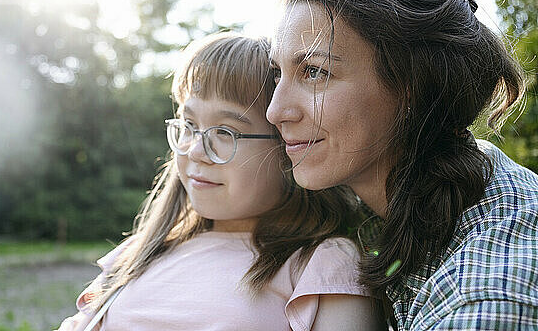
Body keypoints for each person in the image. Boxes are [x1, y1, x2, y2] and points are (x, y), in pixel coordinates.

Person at [266, 0, 538, 331]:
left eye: (314, 72)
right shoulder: (467, 168)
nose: (275, 112)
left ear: (412, 86)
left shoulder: (483, 297)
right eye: (278, 73)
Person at [56, 32, 385, 331]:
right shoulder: (146, 250)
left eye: (226, 133)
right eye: (188, 125)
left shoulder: (322, 262)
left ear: (288, 146)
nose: (197, 151)